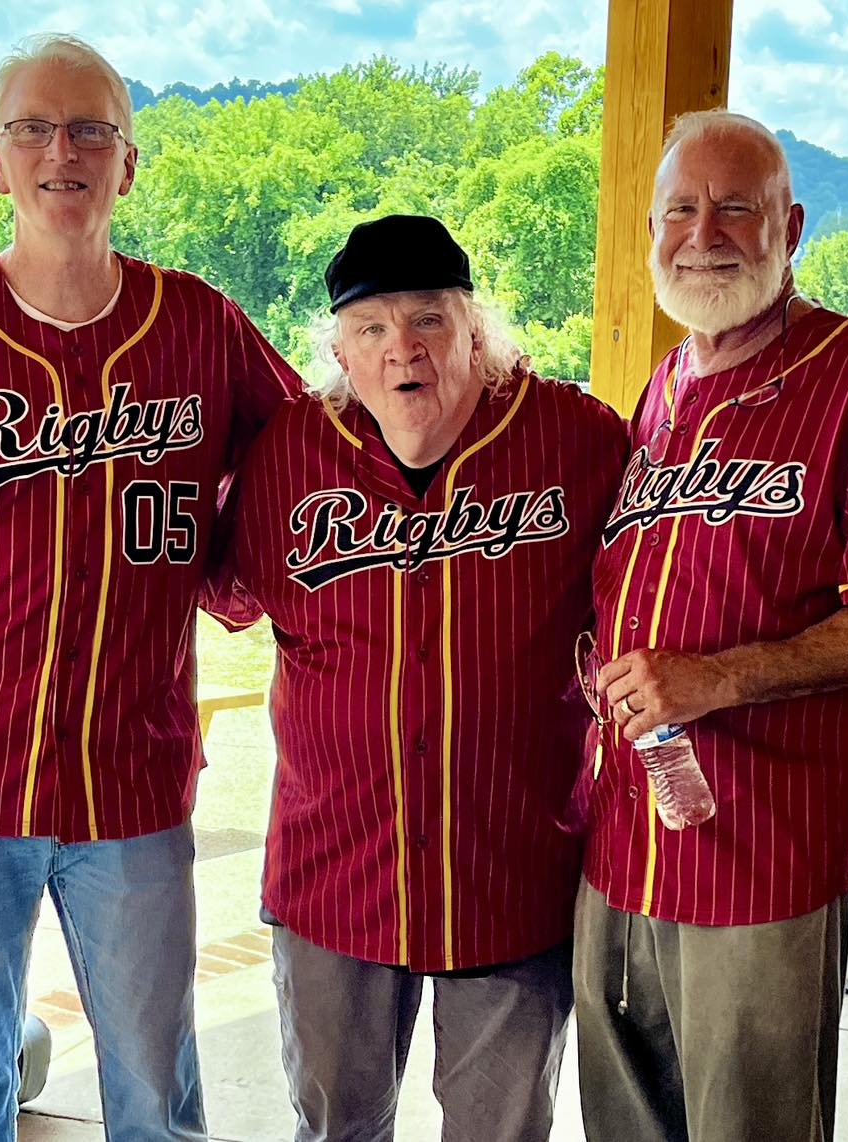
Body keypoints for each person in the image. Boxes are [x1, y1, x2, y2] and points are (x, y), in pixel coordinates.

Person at [0, 33, 301, 1141]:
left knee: (156, 1096)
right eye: (33, 129)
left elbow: (313, 461)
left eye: (91, 130)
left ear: (129, 163)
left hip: (133, 777)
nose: (62, 152)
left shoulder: (200, 324)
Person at [573, 109, 848, 1142]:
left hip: (761, 854)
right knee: (622, 1125)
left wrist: (720, 676)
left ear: (790, 227)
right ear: (650, 232)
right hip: (622, 844)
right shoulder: (663, 387)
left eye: (735, 209)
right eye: (680, 211)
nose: (703, 234)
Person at [208, 214, 627, 1140]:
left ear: (477, 330)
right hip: (335, 873)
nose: (403, 348)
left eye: (429, 319)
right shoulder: (289, 454)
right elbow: (224, 593)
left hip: (510, 871)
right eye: (372, 328)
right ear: (342, 354)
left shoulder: (578, 441)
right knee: (337, 1128)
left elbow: (651, 604)